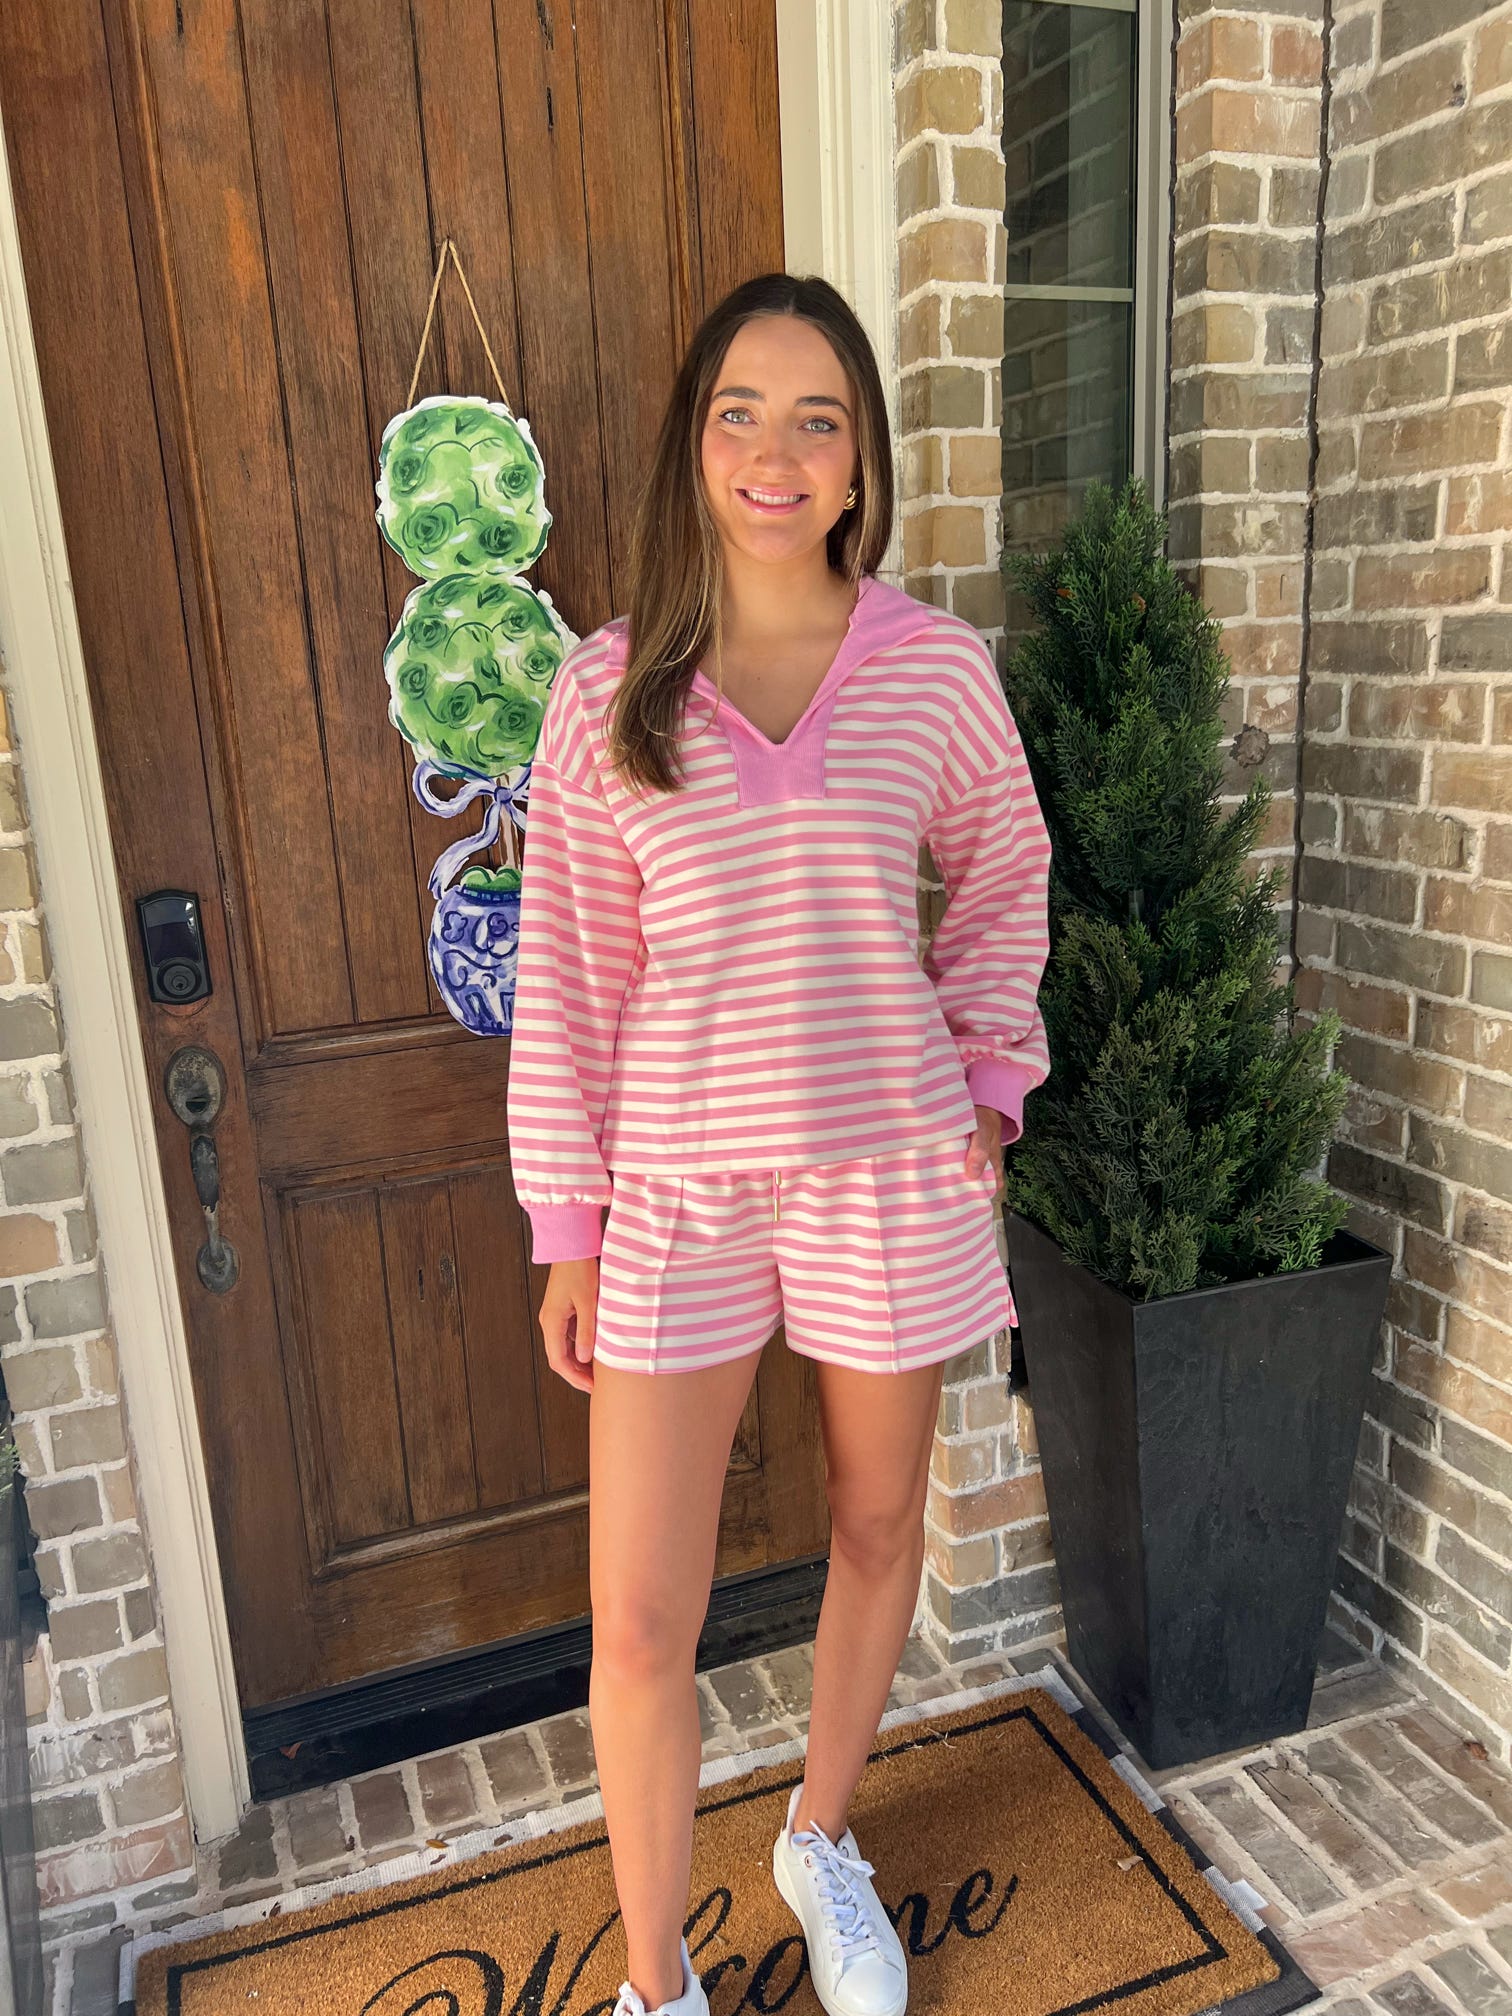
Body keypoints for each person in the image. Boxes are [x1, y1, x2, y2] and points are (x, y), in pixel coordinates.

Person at [505, 271, 1051, 2016]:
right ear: (695, 439)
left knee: (878, 1528)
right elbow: (569, 980)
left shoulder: (934, 671)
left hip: (891, 1173)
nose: (776, 450)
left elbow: (1005, 874)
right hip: (678, 1195)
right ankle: (655, 1982)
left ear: (861, 460)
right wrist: (567, 1227)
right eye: (741, 410)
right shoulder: (609, 692)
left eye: (820, 419)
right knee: (639, 1621)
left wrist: (990, 1077)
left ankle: (821, 1836)